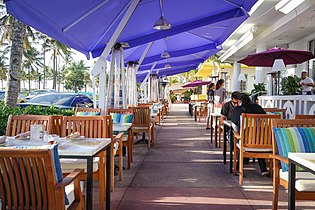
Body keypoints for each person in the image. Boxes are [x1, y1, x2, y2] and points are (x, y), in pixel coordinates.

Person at [230, 93, 269, 176]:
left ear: (240, 102)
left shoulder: (237, 110)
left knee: (237, 137)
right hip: (261, 140)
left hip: (245, 141)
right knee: (256, 138)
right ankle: (263, 169)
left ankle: (238, 168)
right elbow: (266, 120)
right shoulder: (257, 108)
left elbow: (234, 125)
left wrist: (237, 135)